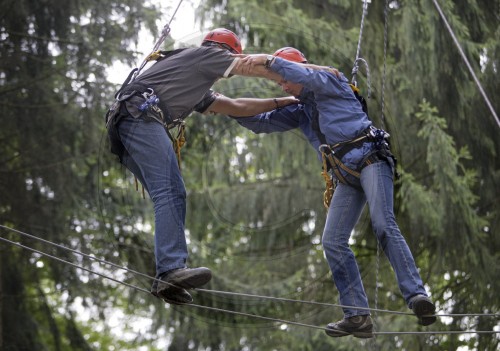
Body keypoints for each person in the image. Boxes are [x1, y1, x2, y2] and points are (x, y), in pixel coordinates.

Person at [230, 47, 436, 338]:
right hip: (346, 178)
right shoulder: (302, 111)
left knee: (382, 223)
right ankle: (357, 316)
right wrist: (221, 105)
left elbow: (300, 73)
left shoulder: (331, 82)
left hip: (370, 160)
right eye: (280, 83)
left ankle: (416, 296)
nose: (284, 85)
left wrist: (266, 61)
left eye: (284, 80)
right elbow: (258, 122)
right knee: (333, 241)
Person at [105, 29, 298, 305]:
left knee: (169, 195)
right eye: (229, 58)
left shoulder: (191, 79)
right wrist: (294, 74)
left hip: (126, 125)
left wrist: (281, 101)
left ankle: (166, 280)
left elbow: (234, 105)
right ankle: (170, 270)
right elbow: (248, 65)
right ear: (224, 51)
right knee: (171, 192)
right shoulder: (208, 55)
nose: (223, 71)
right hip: (140, 117)